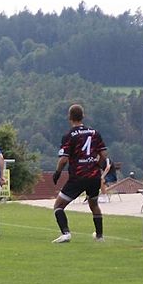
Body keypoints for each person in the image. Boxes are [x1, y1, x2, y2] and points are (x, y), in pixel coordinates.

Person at [50, 104, 108, 243]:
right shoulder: (94, 133)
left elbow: (64, 159)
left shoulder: (69, 136)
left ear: (69, 117)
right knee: (94, 204)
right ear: (83, 116)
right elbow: (104, 154)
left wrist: (57, 172)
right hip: (94, 176)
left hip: (78, 176)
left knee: (58, 206)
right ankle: (99, 237)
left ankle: (66, 234)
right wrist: (97, 166)